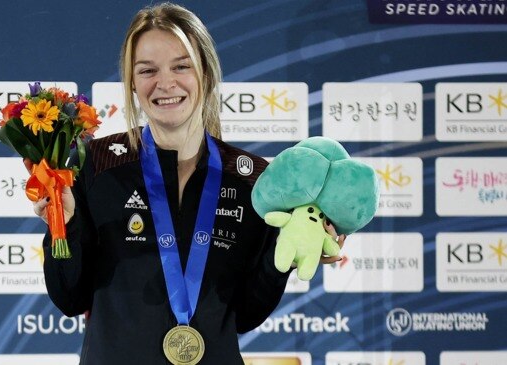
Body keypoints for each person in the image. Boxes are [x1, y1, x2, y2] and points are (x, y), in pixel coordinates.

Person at [28, 3, 345, 364]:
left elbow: (246, 314)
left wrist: (284, 254)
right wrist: (63, 226)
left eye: (182, 66)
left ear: (206, 73)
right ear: (132, 82)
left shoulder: (252, 179)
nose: (166, 83)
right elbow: (69, 298)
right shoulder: (95, 164)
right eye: (148, 70)